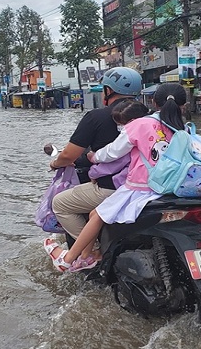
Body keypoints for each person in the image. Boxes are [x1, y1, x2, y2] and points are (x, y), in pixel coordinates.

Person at [45, 83, 186, 272]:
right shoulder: (184, 128)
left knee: (94, 213)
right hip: (174, 189)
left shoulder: (136, 124)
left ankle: (72, 258)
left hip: (140, 188)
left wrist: (93, 157)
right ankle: (89, 255)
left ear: (154, 101)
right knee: (98, 213)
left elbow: (111, 154)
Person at [48, 67, 143, 244]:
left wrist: (55, 163)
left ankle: (89, 252)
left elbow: (69, 155)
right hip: (147, 187)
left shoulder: (96, 117)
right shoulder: (150, 117)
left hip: (112, 187)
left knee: (59, 204)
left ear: (108, 90)